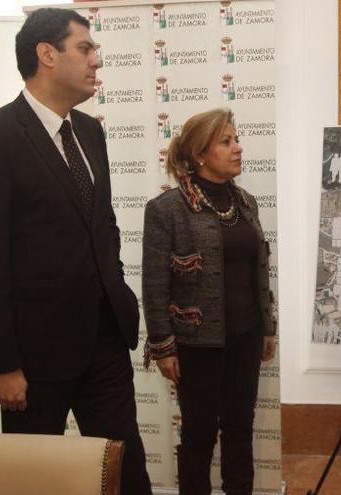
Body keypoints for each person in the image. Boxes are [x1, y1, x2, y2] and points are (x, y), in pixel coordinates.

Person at [0, 8, 151, 494]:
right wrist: (2, 363)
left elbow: (100, 229)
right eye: (85, 49)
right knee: (31, 481)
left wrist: (118, 293)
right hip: (33, 359)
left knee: (126, 473)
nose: (96, 61)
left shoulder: (90, 132)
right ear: (47, 54)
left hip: (105, 340)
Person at [142, 108, 277, 495]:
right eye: (226, 141)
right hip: (196, 343)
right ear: (200, 154)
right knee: (199, 434)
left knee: (240, 429)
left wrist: (267, 328)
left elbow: (260, 271)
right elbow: (154, 284)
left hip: (246, 337)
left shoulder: (247, 202)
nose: (238, 148)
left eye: (236, 139)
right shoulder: (166, 209)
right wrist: (164, 346)